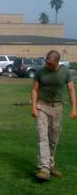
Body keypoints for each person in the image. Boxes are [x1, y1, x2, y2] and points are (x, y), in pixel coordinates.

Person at [31, 50, 76, 181]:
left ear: (57, 62)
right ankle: (44, 168)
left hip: (57, 107)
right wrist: (34, 107)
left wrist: (74, 108)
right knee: (42, 136)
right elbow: (34, 89)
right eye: (46, 62)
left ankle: (50, 164)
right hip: (42, 106)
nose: (47, 65)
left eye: (49, 63)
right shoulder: (40, 72)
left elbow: (71, 90)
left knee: (53, 138)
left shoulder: (65, 72)